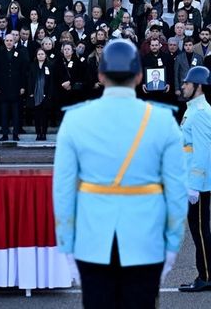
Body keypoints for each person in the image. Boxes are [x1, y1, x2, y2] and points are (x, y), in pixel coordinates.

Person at [53, 39, 187, 308]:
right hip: (145, 240)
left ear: (100, 75)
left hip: (92, 240)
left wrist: (67, 246)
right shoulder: (163, 120)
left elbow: (63, 192)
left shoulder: (75, 119)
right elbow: (176, 192)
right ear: (139, 76)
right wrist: (172, 245)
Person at [178, 66, 211, 292]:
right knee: (199, 231)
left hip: (197, 185)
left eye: (187, 83)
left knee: (200, 231)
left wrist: (195, 186)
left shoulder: (200, 113)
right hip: (191, 181)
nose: (183, 86)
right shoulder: (193, 109)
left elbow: (202, 152)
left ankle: (206, 276)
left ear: (197, 86)